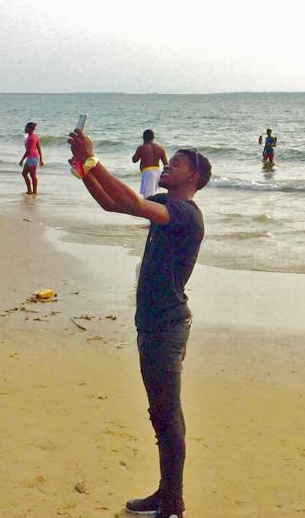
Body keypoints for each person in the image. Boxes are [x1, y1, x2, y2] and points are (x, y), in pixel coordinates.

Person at [68, 127, 211, 518]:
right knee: (161, 413)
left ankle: (173, 504)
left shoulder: (185, 214)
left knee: (166, 414)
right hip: (153, 324)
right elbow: (116, 204)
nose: (168, 165)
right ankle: (165, 495)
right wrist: (85, 169)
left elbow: (130, 199)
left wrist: (93, 161)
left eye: (176, 164)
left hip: (167, 326)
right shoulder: (167, 203)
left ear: (193, 178)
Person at [132, 129, 169, 197]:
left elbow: (134, 160)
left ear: (143, 138)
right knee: (151, 195)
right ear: (153, 137)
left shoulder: (142, 148)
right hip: (158, 172)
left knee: (148, 197)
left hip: (148, 173)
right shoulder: (160, 148)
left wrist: (140, 150)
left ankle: (150, 207)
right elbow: (166, 165)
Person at [19, 122, 44, 195]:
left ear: (31, 129)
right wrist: (41, 159)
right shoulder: (32, 136)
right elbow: (39, 149)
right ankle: (30, 190)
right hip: (31, 158)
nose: (25, 128)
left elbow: (29, 151)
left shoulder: (32, 138)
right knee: (24, 174)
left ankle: (34, 191)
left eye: (27, 127)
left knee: (32, 175)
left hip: (32, 158)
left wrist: (22, 160)